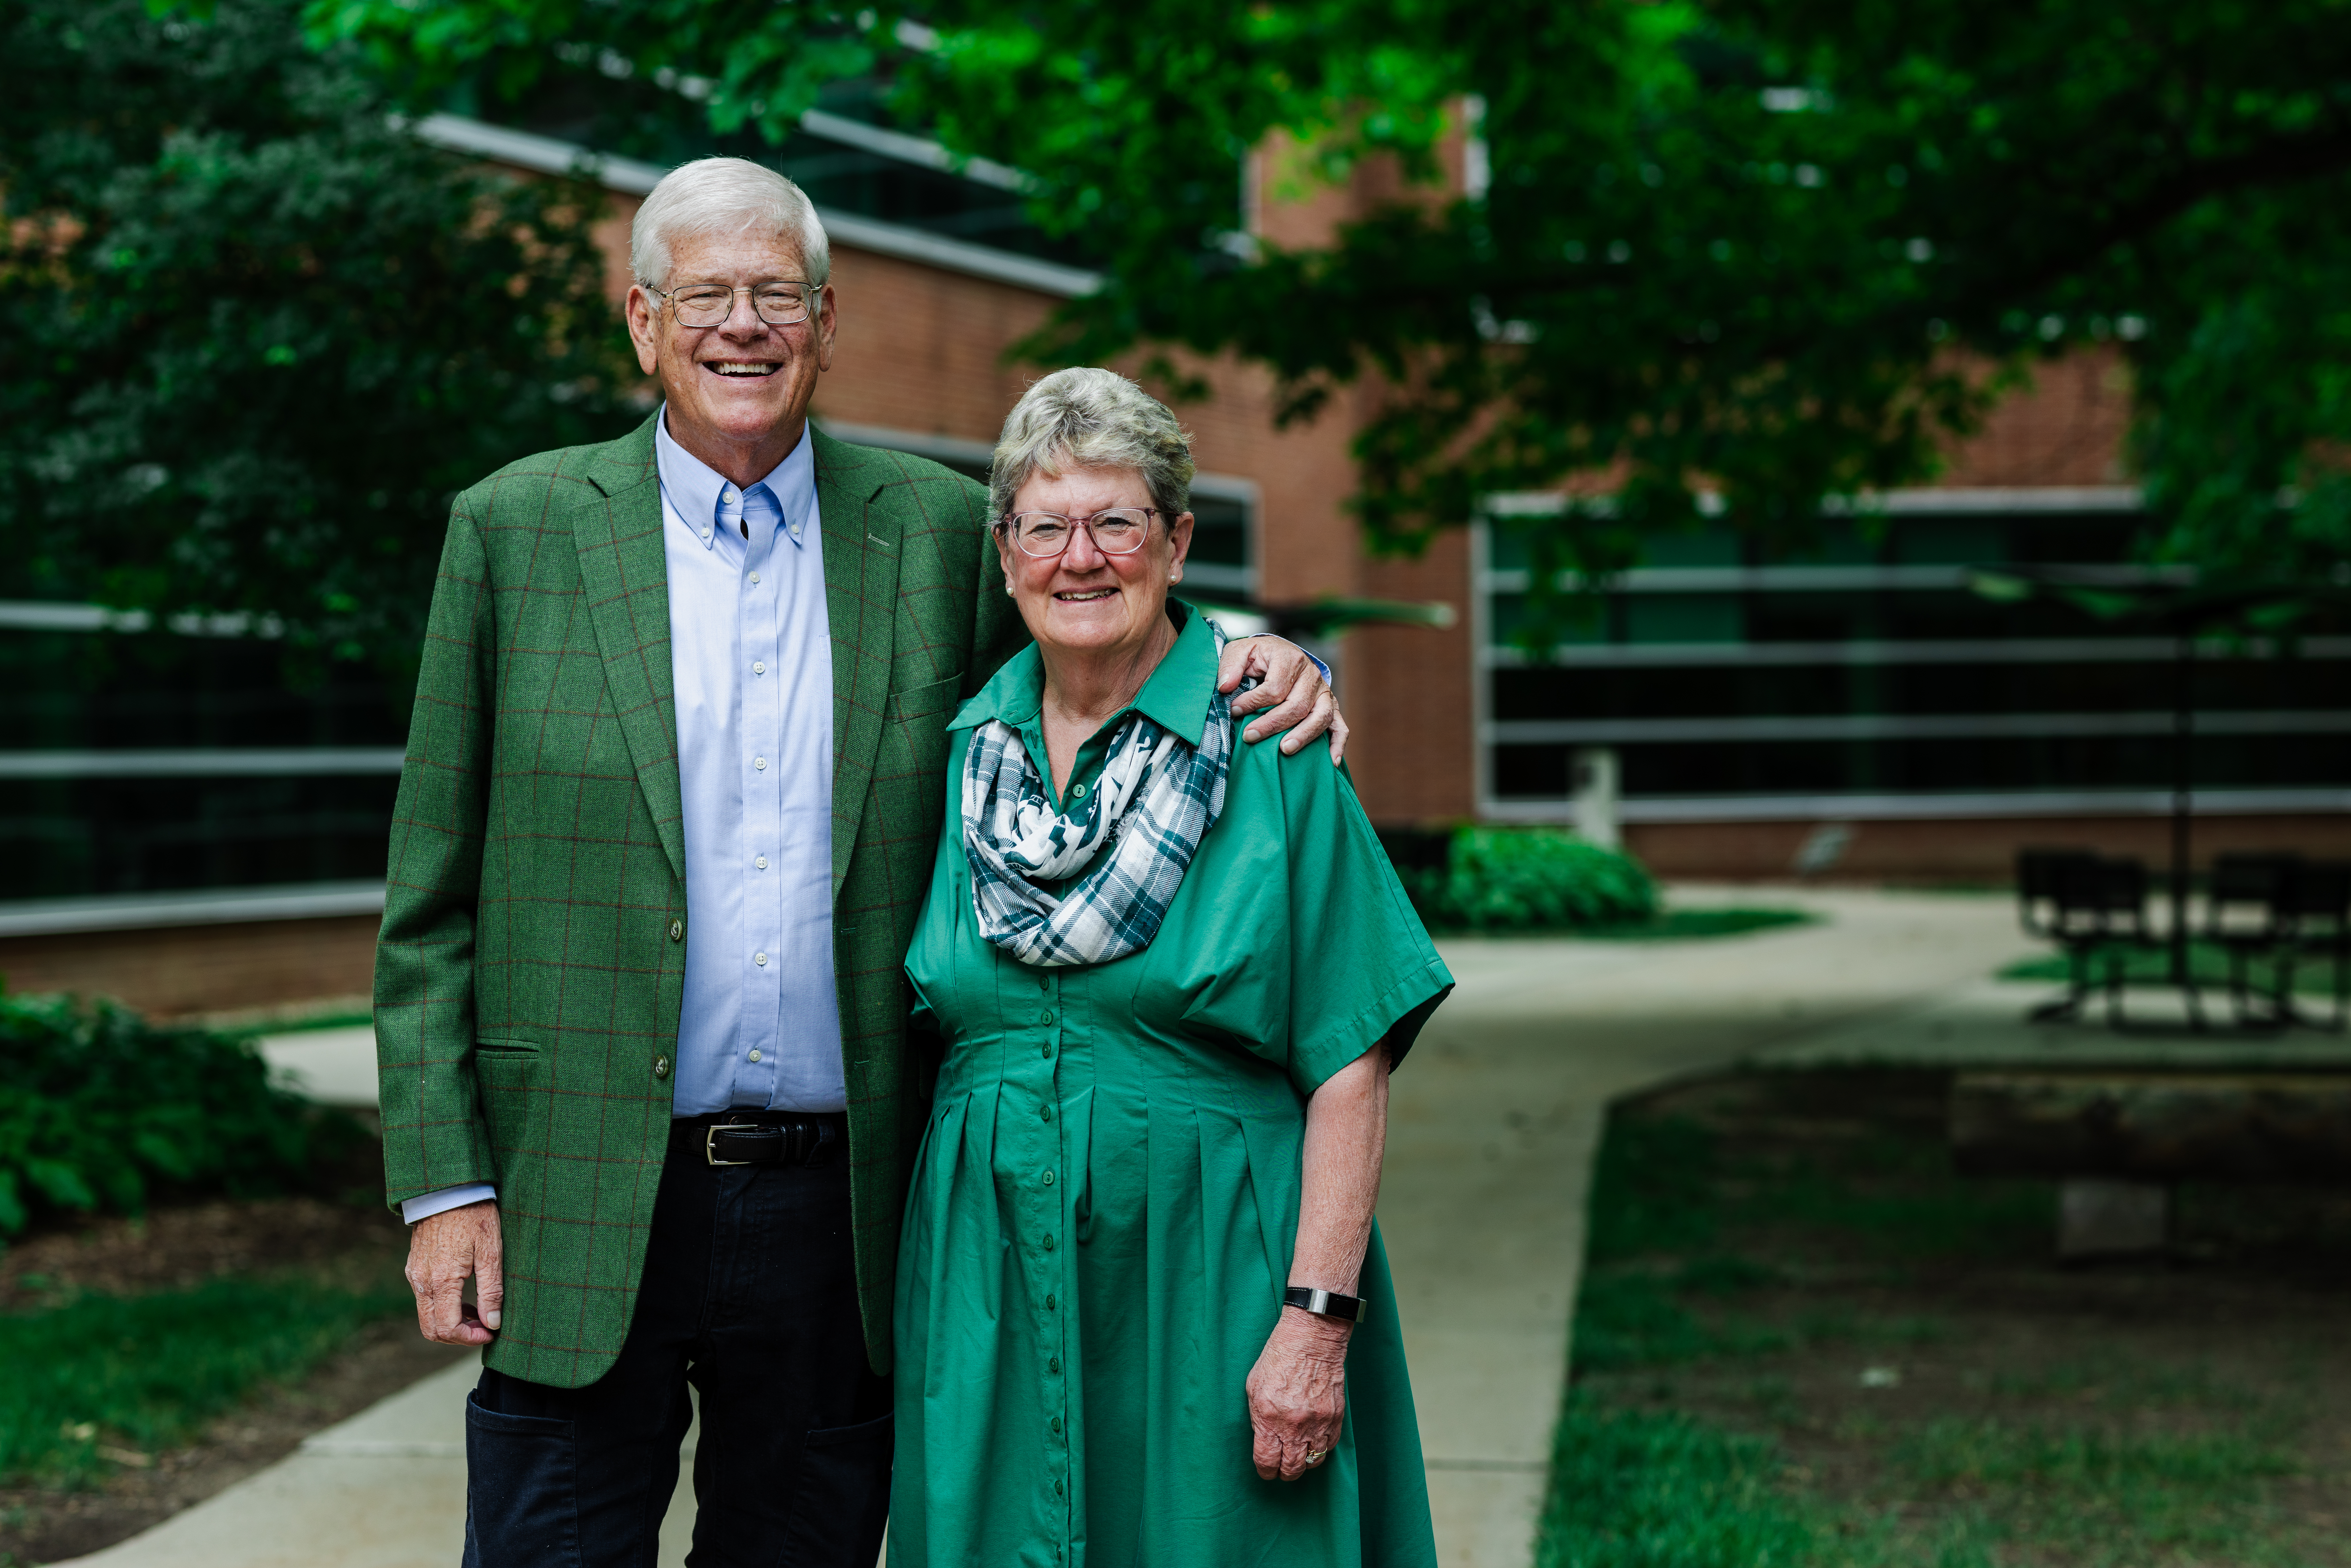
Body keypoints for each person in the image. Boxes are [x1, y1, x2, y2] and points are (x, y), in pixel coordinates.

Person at [375, 158, 1343, 1568]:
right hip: (577, 1183)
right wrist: (445, 1184)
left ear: (827, 324)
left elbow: (1099, 636)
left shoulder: (941, 532)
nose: (742, 325)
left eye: (777, 292)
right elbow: (429, 900)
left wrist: (1258, 655)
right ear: (643, 323)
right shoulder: (513, 531)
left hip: (847, 1206)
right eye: (705, 293)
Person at [891, 368, 1452, 1568]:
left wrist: (1314, 1323)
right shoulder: (952, 756)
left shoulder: (1271, 744)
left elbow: (1349, 1057)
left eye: (1117, 522)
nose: (1079, 557)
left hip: (1219, 1276)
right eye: (1046, 525)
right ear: (1004, 555)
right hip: (986, 1289)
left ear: (1176, 541)